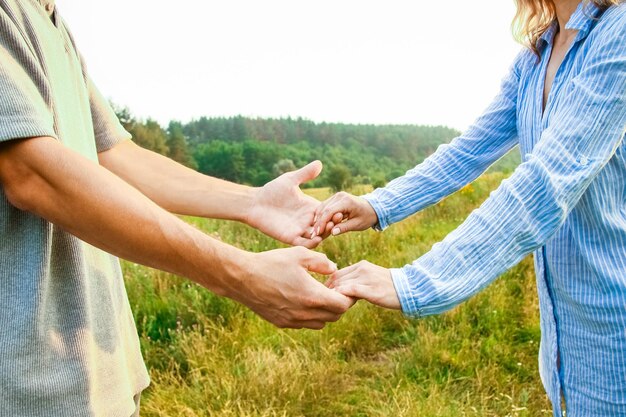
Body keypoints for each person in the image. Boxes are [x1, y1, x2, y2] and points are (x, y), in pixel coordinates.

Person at [0, 0, 351, 415]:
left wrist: (252, 202)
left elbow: (114, 155)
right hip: (23, 388)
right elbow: (31, 172)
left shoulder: (50, 18)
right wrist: (240, 274)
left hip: (94, 384)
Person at [312, 0, 626, 416]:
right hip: (564, 337)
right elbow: (465, 153)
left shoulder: (618, 33)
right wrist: (375, 204)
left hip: (614, 330)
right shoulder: (535, 57)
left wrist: (415, 282)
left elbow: (548, 179)